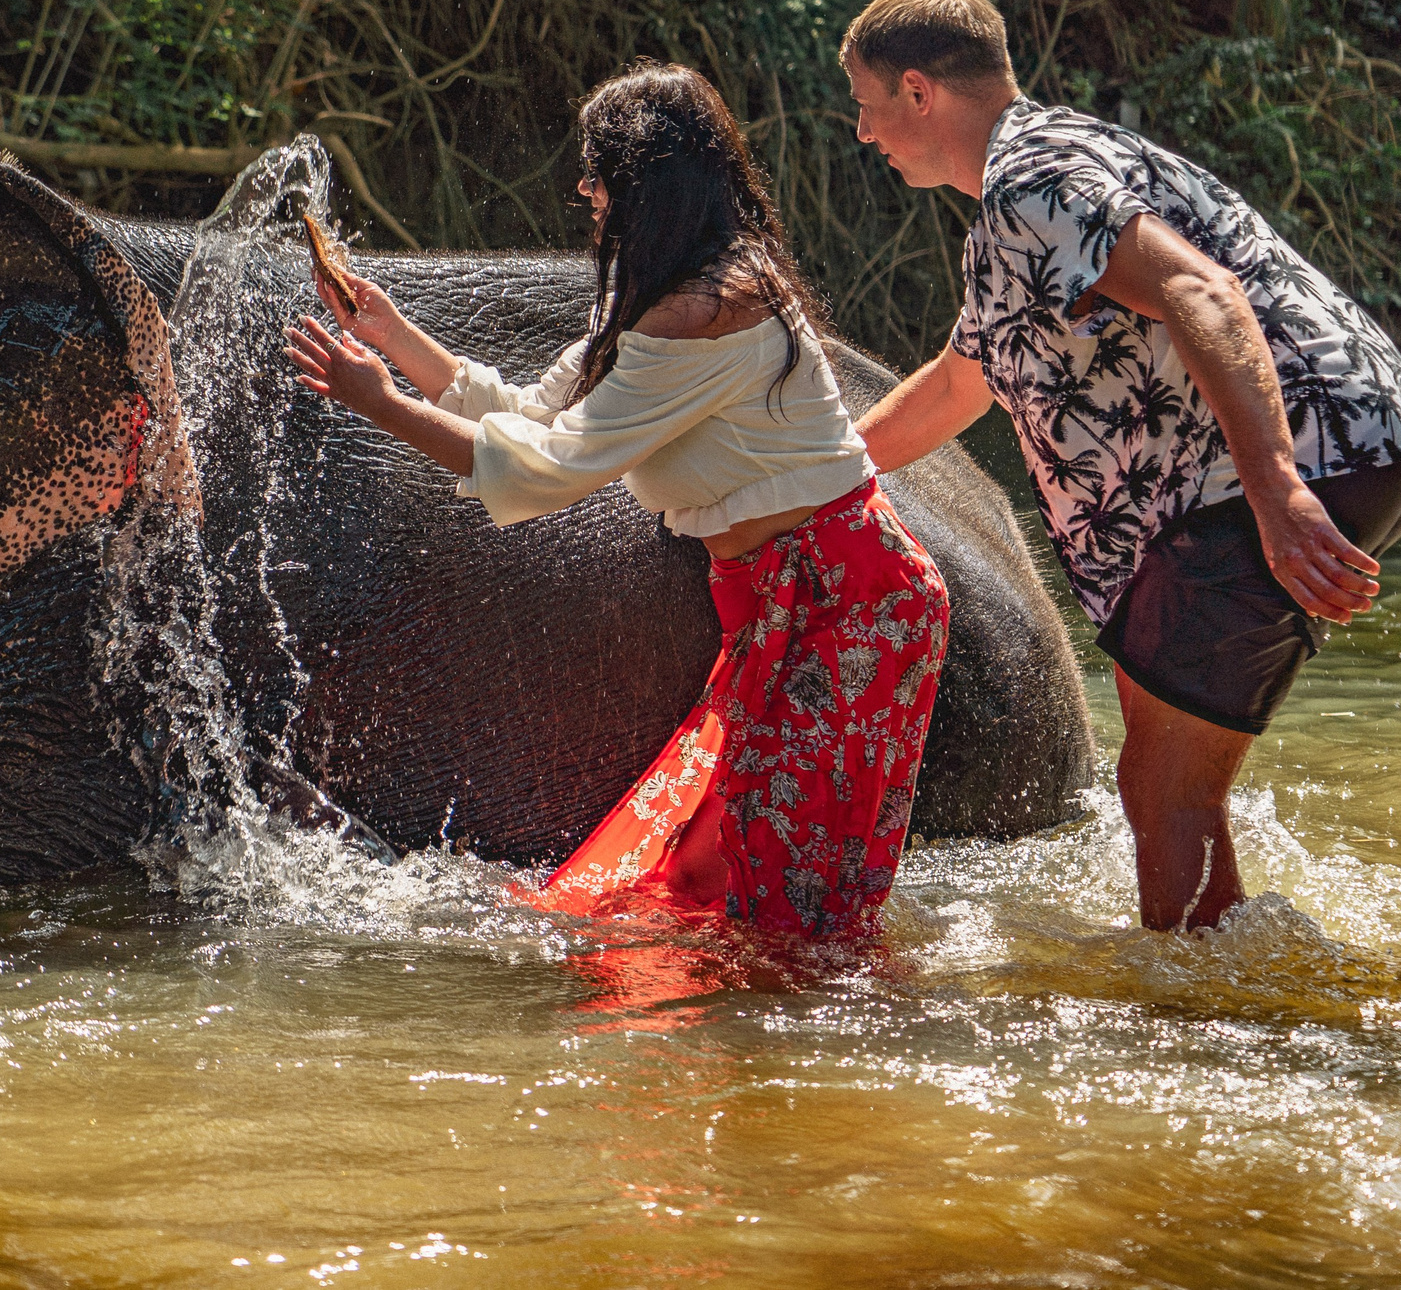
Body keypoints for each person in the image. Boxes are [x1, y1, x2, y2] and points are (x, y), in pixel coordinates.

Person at [284, 63, 950, 939]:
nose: (584, 190)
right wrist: (390, 331)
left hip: (850, 607)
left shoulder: (715, 308)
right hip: (788, 604)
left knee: (786, 915)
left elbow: (546, 469)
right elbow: (530, 416)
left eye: (599, 172)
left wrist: (381, 405)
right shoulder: (664, 297)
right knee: (720, 879)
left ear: (647, 185)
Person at [842, 0, 1401, 932]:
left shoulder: (1031, 180)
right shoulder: (1028, 194)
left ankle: (1209, 1037)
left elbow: (1204, 296)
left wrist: (1276, 488)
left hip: (1293, 457)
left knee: (1164, 796)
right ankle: (1238, 990)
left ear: (920, 91)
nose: (863, 132)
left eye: (870, 107)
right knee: (1162, 785)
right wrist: (822, 467)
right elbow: (963, 382)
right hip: (1341, 441)